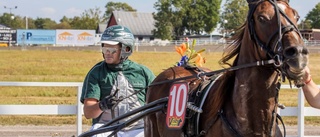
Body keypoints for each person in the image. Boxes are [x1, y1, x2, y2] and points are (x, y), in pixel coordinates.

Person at [80, 25, 155, 137]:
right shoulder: (96, 73)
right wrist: (102, 105)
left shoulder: (143, 72)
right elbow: (88, 113)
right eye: (105, 49)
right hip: (104, 128)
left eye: (112, 50)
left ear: (126, 49)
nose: (107, 53)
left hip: (139, 129)